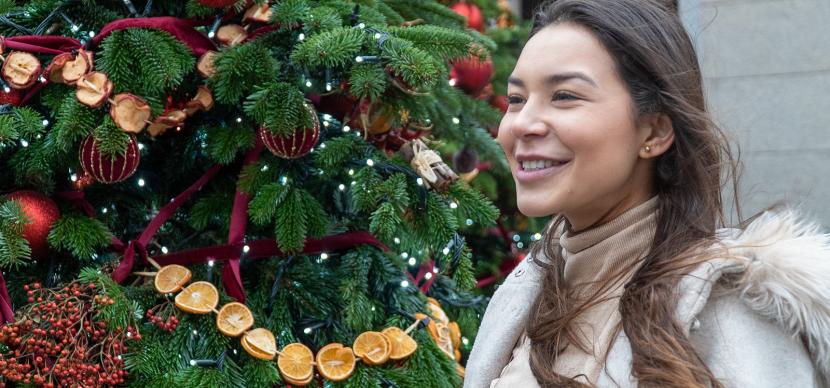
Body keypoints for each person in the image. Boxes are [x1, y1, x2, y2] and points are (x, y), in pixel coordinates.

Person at [465, 1, 830, 387]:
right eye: (517, 99)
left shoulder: (729, 310)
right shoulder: (522, 295)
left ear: (654, 132)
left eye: (564, 96)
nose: (522, 124)